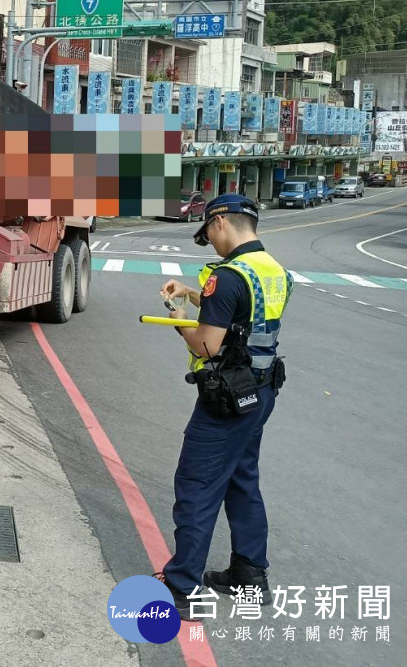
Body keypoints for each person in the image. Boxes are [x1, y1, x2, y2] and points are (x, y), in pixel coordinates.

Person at [153, 194, 292, 620]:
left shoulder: (228, 275)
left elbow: (208, 346)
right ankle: (249, 572)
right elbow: (242, 317)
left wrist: (178, 316)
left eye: (208, 233)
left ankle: (183, 588)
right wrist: (194, 295)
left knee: (197, 485)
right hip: (261, 391)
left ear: (219, 223)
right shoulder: (274, 271)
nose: (211, 243)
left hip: (226, 399)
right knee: (241, 478)